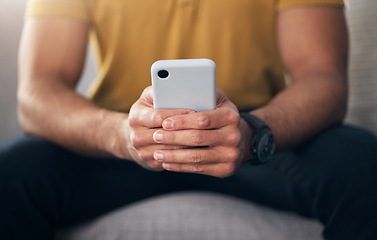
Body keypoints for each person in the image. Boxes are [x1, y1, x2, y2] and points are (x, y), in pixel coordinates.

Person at [1, 0, 377, 239]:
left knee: (365, 168)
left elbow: (323, 78)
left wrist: (252, 132)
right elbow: (37, 92)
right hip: (121, 143)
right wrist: (119, 134)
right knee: (9, 175)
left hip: (255, 139)